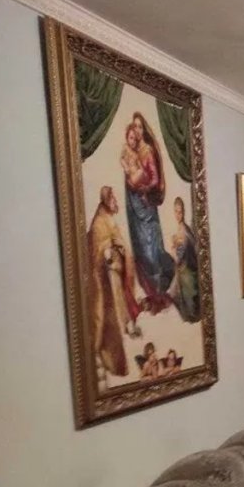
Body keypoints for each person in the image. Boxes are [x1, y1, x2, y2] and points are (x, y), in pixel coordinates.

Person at [121, 112, 174, 314]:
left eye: (139, 127)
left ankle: (160, 294)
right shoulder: (132, 151)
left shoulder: (148, 151)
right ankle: (152, 295)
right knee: (141, 252)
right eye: (134, 127)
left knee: (152, 252)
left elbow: (154, 179)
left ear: (144, 129)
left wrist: (142, 188)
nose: (137, 130)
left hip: (147, 208)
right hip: (135, 209)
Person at [87, 185, 141, 379]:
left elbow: (120, 242)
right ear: (106, 201)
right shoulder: (99, 223)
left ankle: (127, 325)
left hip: (116, 274)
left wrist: (121, 250)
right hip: (106, 279)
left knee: (121, 306)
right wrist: (108, 250)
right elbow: (97, 251)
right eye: (112, 199)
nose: (115, 201)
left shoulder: (109, 219)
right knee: (110, 315)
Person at [169, 196, 200, 322]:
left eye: (180, 212)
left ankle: (190, 314)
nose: (178, 215)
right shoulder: (183, 228)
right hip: (184, 269)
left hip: (187, 271)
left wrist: (173, 250)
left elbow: (179, 257)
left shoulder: (184, 230)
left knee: (176, 295)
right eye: (176, 211)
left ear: (184, 212)